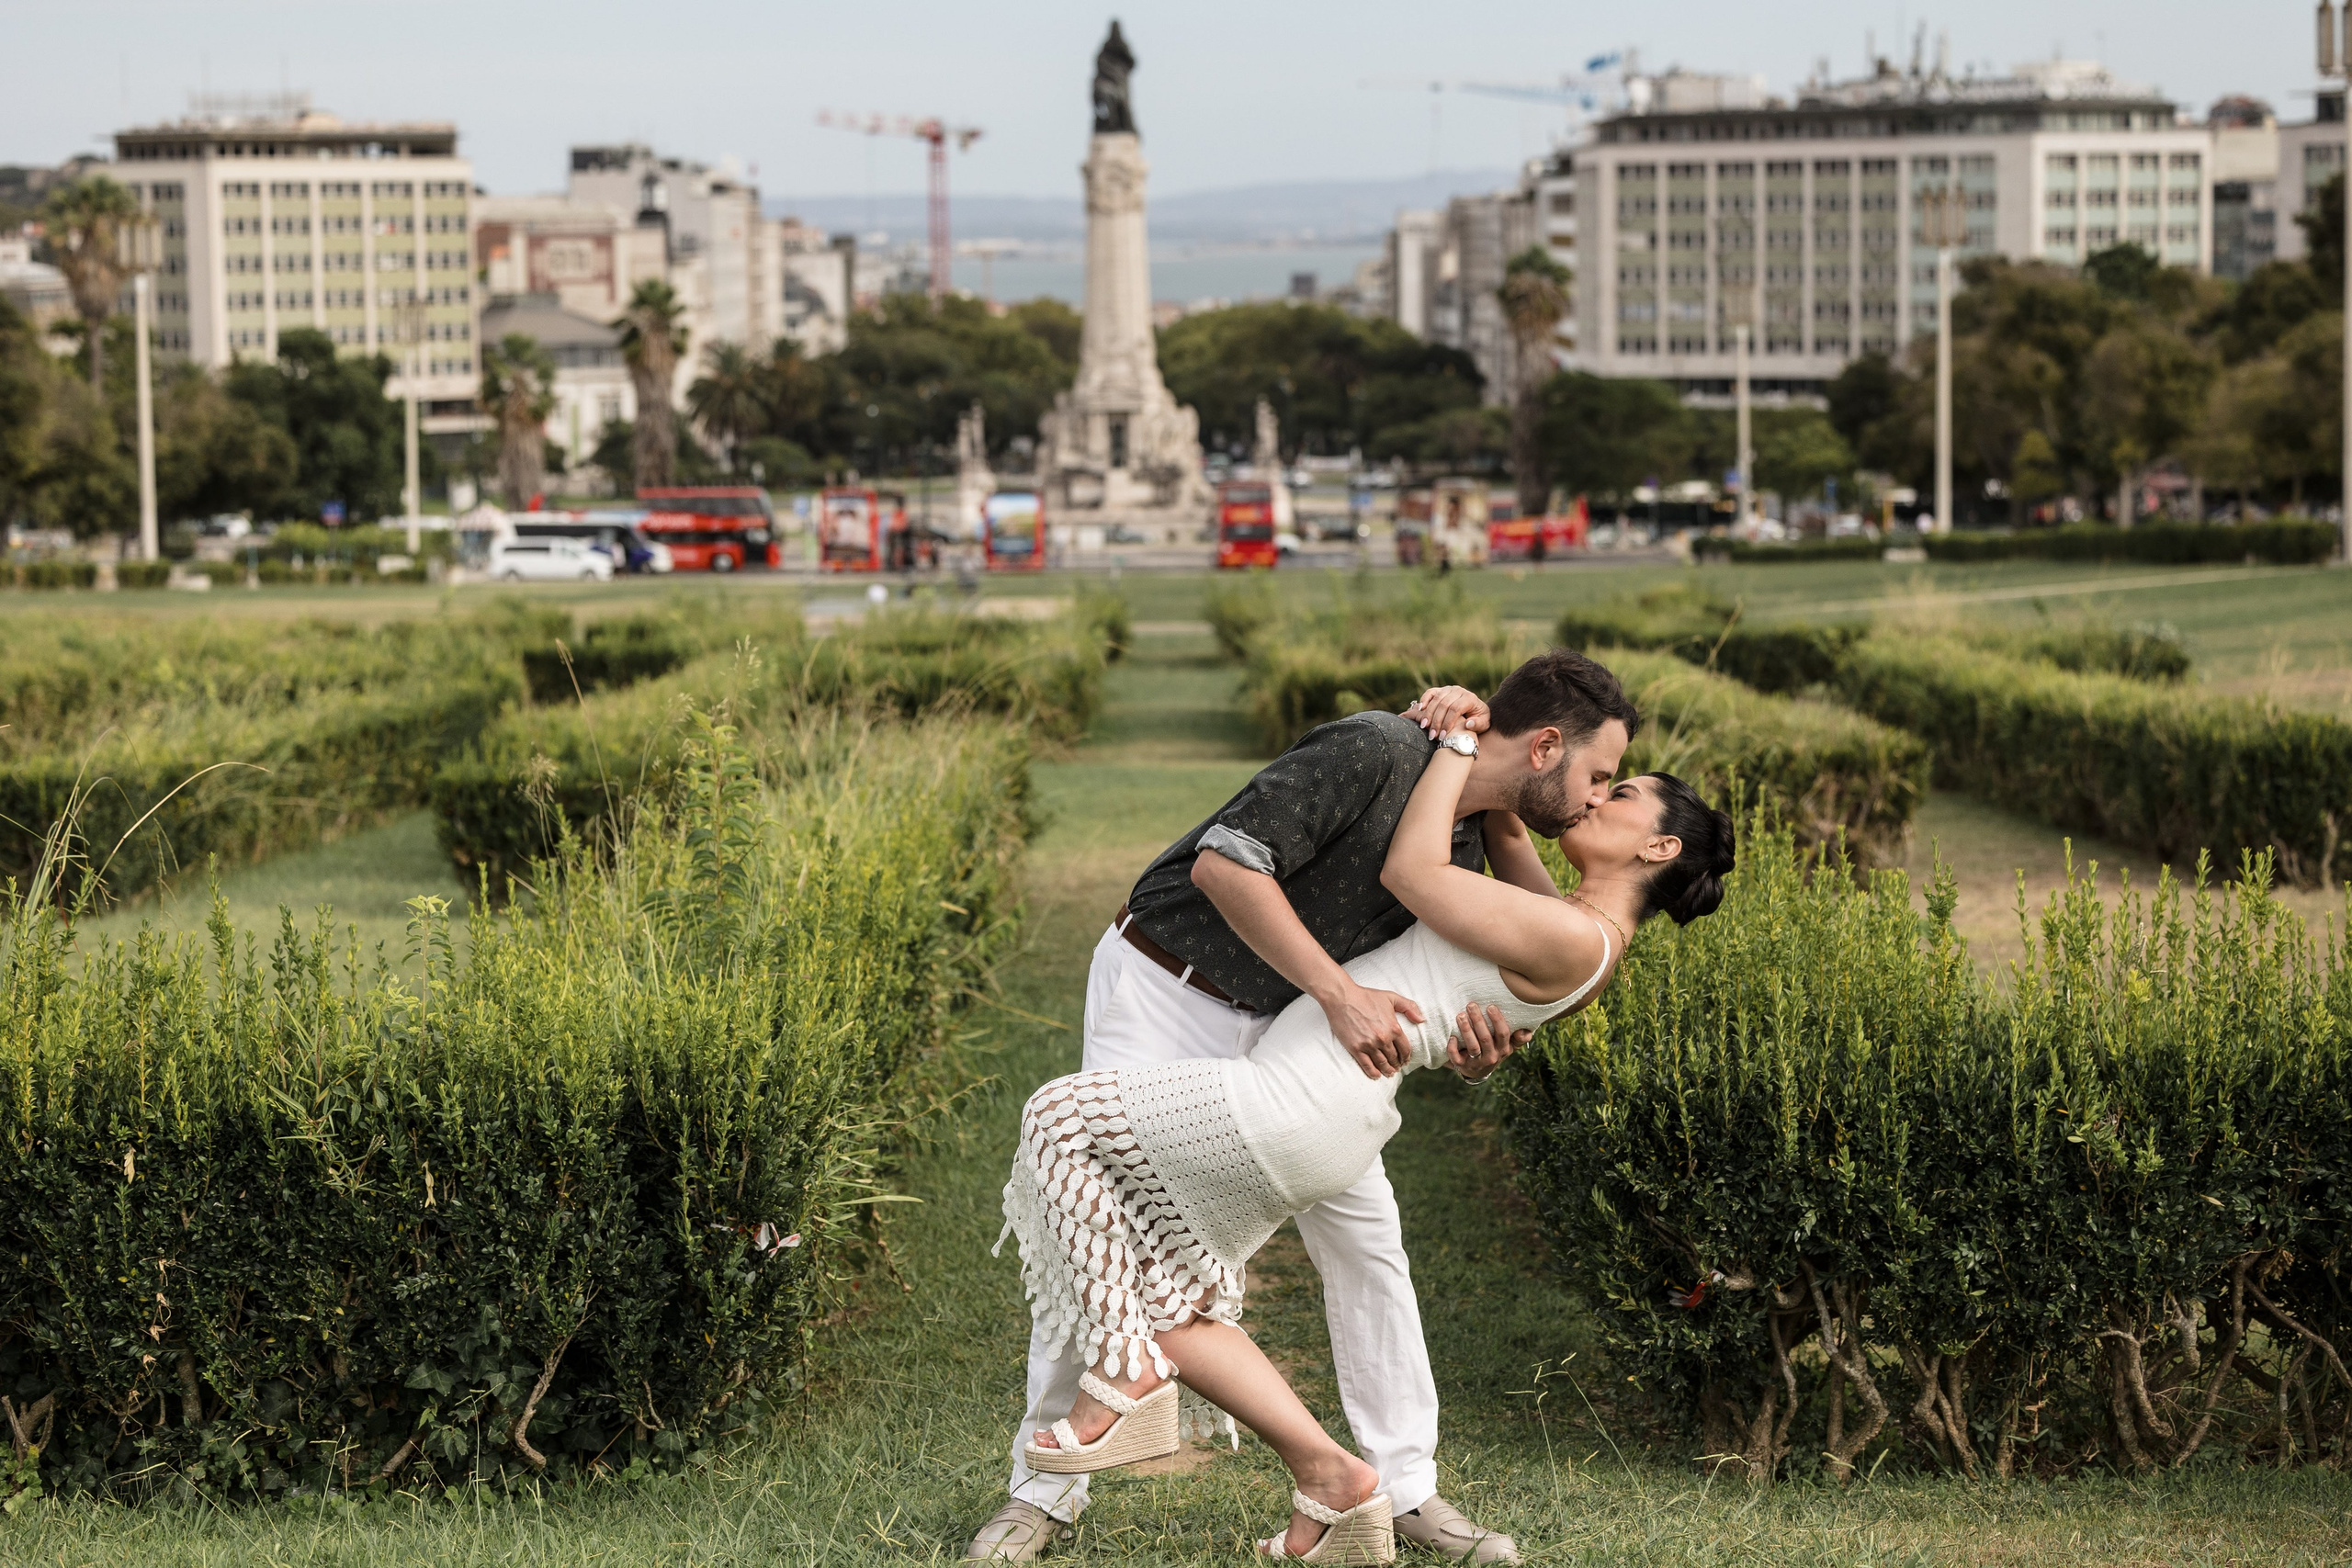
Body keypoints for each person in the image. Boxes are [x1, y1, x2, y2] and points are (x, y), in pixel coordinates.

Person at [999, 725, 1736, 1561]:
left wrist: (1459, 741)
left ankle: (1131, 1375)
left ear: (1661, 845)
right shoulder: (1576, 923)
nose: (1599, 795)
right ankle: (1333, 1483)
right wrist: (1486, 732)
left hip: (1305, 1097)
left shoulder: (1575, 936)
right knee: (1168, 1294)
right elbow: (1505, 827)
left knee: (1062, 1125)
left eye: (1621, 790)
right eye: (1599, 774)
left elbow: (1413, 874)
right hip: (1327, 1099)